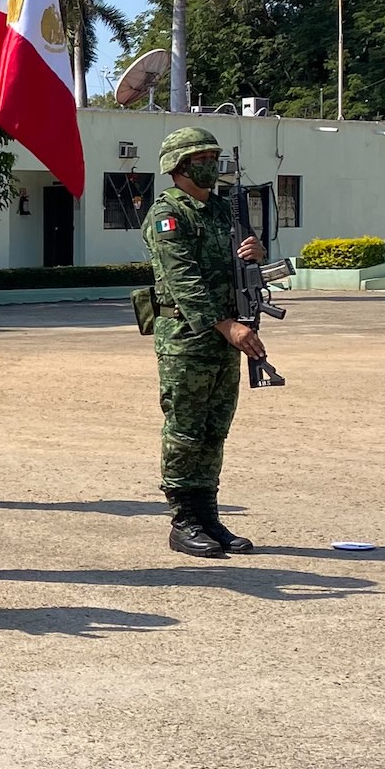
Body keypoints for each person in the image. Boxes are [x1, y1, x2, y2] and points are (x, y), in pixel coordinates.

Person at [142, 125, 265, 558]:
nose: (210, 165)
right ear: (178, 166)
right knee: (186, 429)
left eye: (212, 157)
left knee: (215, 429)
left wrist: (254, 256)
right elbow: (184, 282)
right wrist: (226, 326)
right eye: (200, 159)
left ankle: (208, 514)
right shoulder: (168, 214)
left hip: (224, 334)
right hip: (186, 337)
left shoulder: (220, 211)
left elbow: (229, 271)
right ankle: (184, 520)